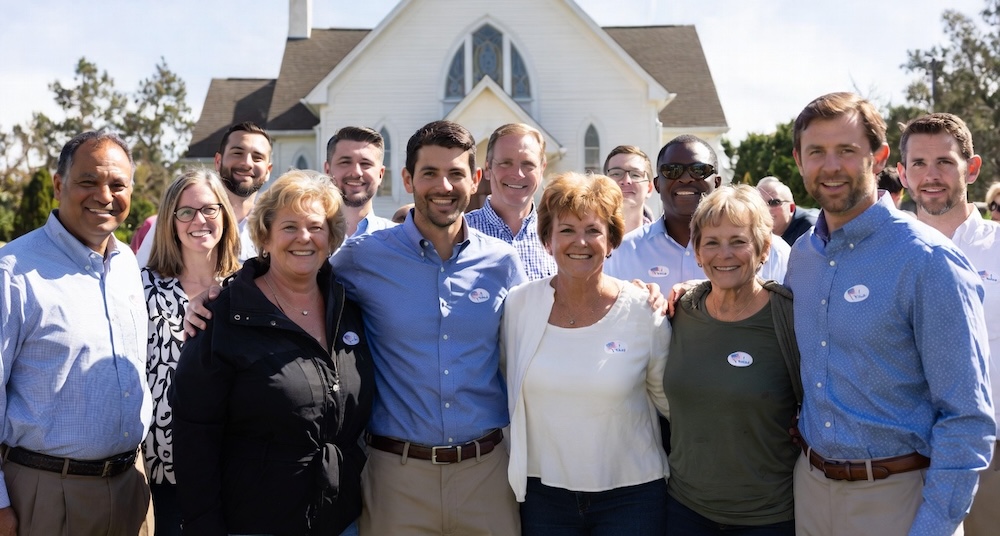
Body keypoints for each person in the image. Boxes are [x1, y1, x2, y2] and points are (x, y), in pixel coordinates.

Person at [787, 92, 993, 535]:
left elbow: (968, 417)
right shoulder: (801, 258)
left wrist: (933, 527)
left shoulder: (928, 260)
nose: (831, 166)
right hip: (810, 491)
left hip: (899, 500)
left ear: (879, 158)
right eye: (816, 152)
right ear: (799, 160)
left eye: (847, 150)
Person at [331, 120, 526, 534]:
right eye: (430, 173)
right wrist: (219, 292)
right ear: (407, 179)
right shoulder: (359, 259)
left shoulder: (503, 262)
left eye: (456, 173)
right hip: (396, 476)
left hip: (486, 475)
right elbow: (292, 284)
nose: (444, 185)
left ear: (476, 180)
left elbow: (542, 327)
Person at [170, 170, 375, 535]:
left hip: (342, 520)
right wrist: (203, 524)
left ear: (331, 237)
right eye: (289, 227)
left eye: (316, 227)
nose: (304, 238)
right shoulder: (223, 317)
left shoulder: (349, 309)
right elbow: (194, 434)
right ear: (264, 235)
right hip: (254, 522)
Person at [0, 130, 153, 535]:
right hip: (45, 495)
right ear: (58, 184)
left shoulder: (126, 265)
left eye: (118, 184)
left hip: (131, 490)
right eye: (89, 181)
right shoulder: (12, 273)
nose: (104, 195)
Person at [503, 172, 670, 535]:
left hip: (632, 496)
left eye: (593, 230)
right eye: (566, 230)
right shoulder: (519, 305)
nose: (580, 242)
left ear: (611, 240)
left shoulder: (644, 309)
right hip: (543, 496)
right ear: (547, 239)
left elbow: (669, 402)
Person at [665, 184, 801, 535]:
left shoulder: (790, 317)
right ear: (696, 252)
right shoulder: (680, 310)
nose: (724, 254)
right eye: (711, 242)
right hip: (684, 510)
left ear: (763, 248)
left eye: (738, 241)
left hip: (769, 517)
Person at [895, 112, 1000, 536]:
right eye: (918, 163)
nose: (931, 175)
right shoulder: (886, 252)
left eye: (945, 162)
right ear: (901, 173)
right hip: (906, 461)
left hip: (990, 458)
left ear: (971, 168)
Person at [140, 168, 241, 536]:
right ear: (171, 220)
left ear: (224, 215)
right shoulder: (143, 288)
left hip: (236, 468)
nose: (199, 220)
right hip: (164, 472)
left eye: (209, 209)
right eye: (186, 212)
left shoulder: (248, 287)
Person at [136, 121, 274, 265]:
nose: (247, 163)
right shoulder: (177, 221)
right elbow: (141, 278)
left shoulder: (274, 228)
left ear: (268, 171)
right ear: (218, 162)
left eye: (257, 157)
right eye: (237, 153)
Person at [466, 123, 558, 280]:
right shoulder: (461, 233)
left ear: (542, 169)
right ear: (487, 169)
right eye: (505, 163)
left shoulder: (559, 236)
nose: (517, 174)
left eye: (528, 164)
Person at [324, 126, 396, 237]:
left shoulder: (398, 240)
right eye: (345, 162)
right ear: (327, 170)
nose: (356, 172)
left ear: (381, 174)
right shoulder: (310, 238)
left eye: (365, 164)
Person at [604, 145, 655, 233]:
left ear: (649, 189)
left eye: (635, 175)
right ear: (603, 184)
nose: (626, 181)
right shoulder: (586, 240)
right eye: (616, 173)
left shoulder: (665, 242)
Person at [755, 176, 818, 245]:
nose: (766, 209)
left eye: (774, 202)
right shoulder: (753, 232)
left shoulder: (811, 229)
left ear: (791, 208)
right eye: (760, 203)